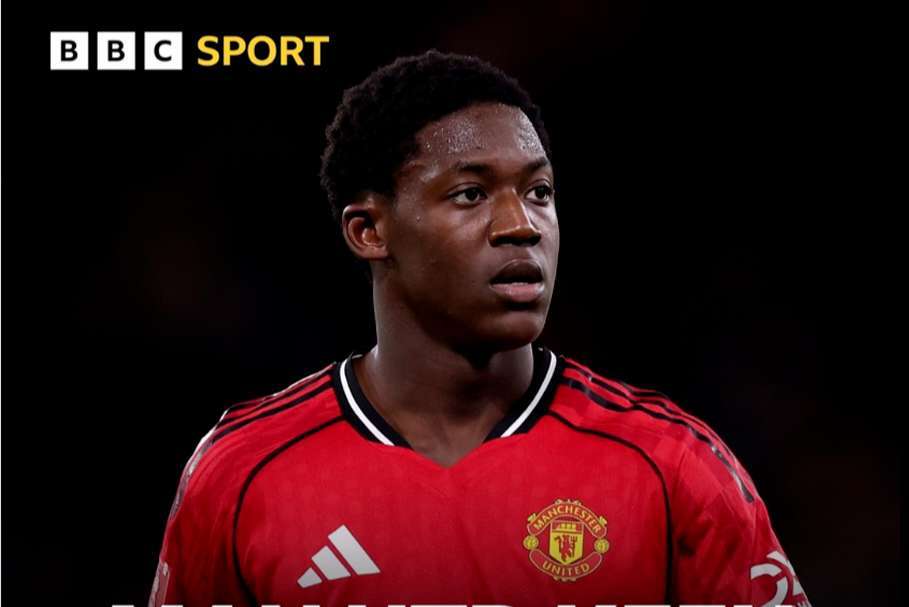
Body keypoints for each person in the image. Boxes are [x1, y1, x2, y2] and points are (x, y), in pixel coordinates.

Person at [149, 50, 810, 607]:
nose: (521, 224)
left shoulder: (673, 467)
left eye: (539, 192)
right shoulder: (241, 474)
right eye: (471, 193)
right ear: (369, 230)